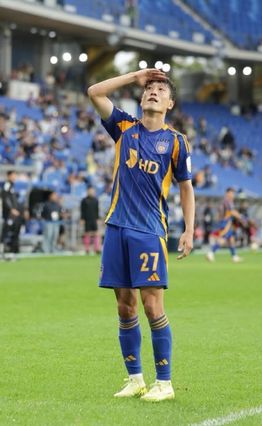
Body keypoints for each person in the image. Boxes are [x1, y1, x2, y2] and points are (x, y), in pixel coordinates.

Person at [88, 68, 194, 402]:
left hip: (149, 231)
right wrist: (134, 76)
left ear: (170, 104)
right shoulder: (124, 128)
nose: (153, 92)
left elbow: (186, 188)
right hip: (116, 228)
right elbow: (95, 91)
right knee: (124, 306)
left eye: (161, 90)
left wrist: (190, 230)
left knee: (152, 305)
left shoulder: (176, 142)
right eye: (149, 88)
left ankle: (165, 382)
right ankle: (136, 379)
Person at [206, 188, 245, 263]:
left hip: (226, 222)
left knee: (231, 239)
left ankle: (234, 256)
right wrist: (241, 217)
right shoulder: (227, 202)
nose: (233, 195)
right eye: (232, 193)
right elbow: (231, 212)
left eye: (233, 193)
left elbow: (222, 213)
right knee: (223, 238)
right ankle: (211, 252)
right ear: (227, 193)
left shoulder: (226, 202)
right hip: (225, 223)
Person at [0, 170, 21, 261]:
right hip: (8, 214)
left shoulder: (12, 186)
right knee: (6, 232)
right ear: (8, 176)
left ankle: (12, 253)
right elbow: (5, 197)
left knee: (14, 232)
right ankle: (1, 253)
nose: (14, 177)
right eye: (13, 175)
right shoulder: (7, 185)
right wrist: (11, 209)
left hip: (13, 214)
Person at [80, 187, 101, 254]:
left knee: (96, 233)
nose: (91, 192)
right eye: (90, 191)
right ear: (87, 191)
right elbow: (82, 210)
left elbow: (97, 210)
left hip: (94, 219)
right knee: (87, 233)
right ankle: (87, 249)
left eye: (92, 191)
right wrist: (82, 219)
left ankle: (97, 248)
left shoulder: (96, 200)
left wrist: (97, 219)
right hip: (87, 219)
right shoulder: (84, 200)